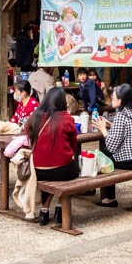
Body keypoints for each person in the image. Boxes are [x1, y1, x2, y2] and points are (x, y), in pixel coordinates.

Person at [93, 83, 132, 207]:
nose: (111, 99)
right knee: (107, 152)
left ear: (122, 100)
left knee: (105, 154)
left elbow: (111, 146)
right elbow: (129, 130)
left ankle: (109, 198)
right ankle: (108, 197)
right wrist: (110, 125)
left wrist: (103, 129)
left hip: (130, 161)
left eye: (114, 98)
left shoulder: (121, 115)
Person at [29, 87, 79, 226]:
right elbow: (74, 144)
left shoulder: (35, 116)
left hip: (38, 170)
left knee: (49, 174)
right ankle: (59, 208)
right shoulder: (66, 118)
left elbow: (28, 136)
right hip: (62, 171)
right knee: (71, 168)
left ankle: (44, 211)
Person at [0, 79, 42, 189]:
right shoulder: (21, 104)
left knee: (0, 149)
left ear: (24, 92)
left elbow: (31, 125)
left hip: (28, 138)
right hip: (19, 135)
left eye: (16, 91)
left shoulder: (33, 104)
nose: (15, 94)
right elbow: (15, 118)